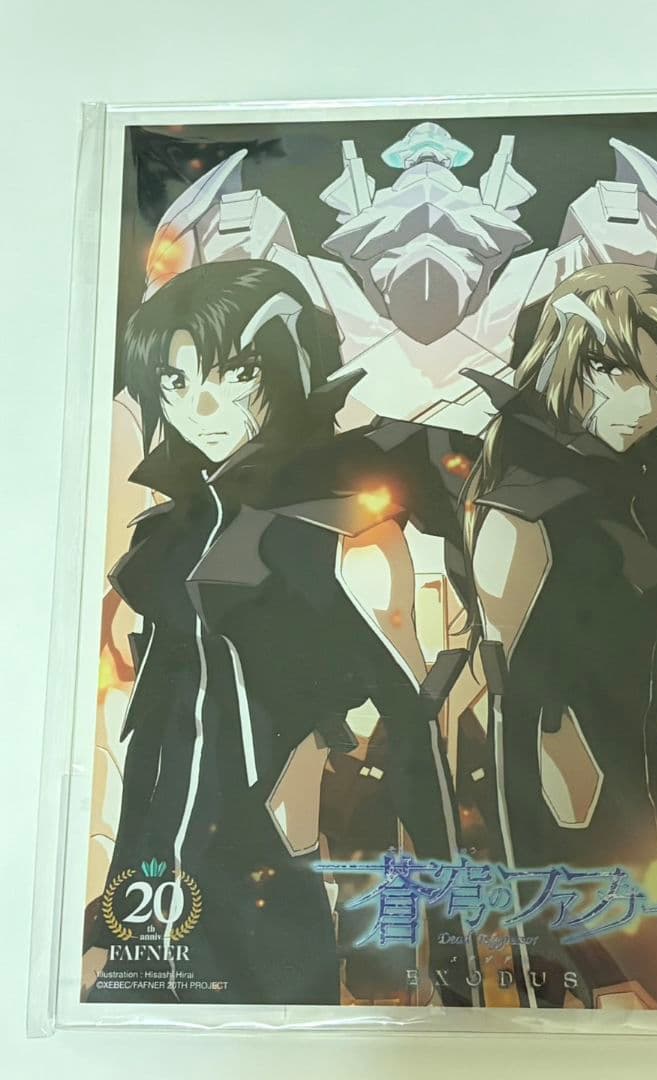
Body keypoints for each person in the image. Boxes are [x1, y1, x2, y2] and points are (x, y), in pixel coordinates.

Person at [83, 259, 480, 1006]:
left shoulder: (346, 530)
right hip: (157, 894)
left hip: (270, 890)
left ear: (288, 365)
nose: (199, 407)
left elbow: (413, 740)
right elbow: (156, 735)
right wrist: (113, 911)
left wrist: (454, 947)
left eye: (234, 374)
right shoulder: (173, 538)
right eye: (174, 382)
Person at [462, 264, 657, 1009]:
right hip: (571, 805)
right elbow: (509, 699)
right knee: (617, 995)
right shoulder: (520, 507)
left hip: (653, 781)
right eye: (617, 373)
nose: (644, 404)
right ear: (566, 363)